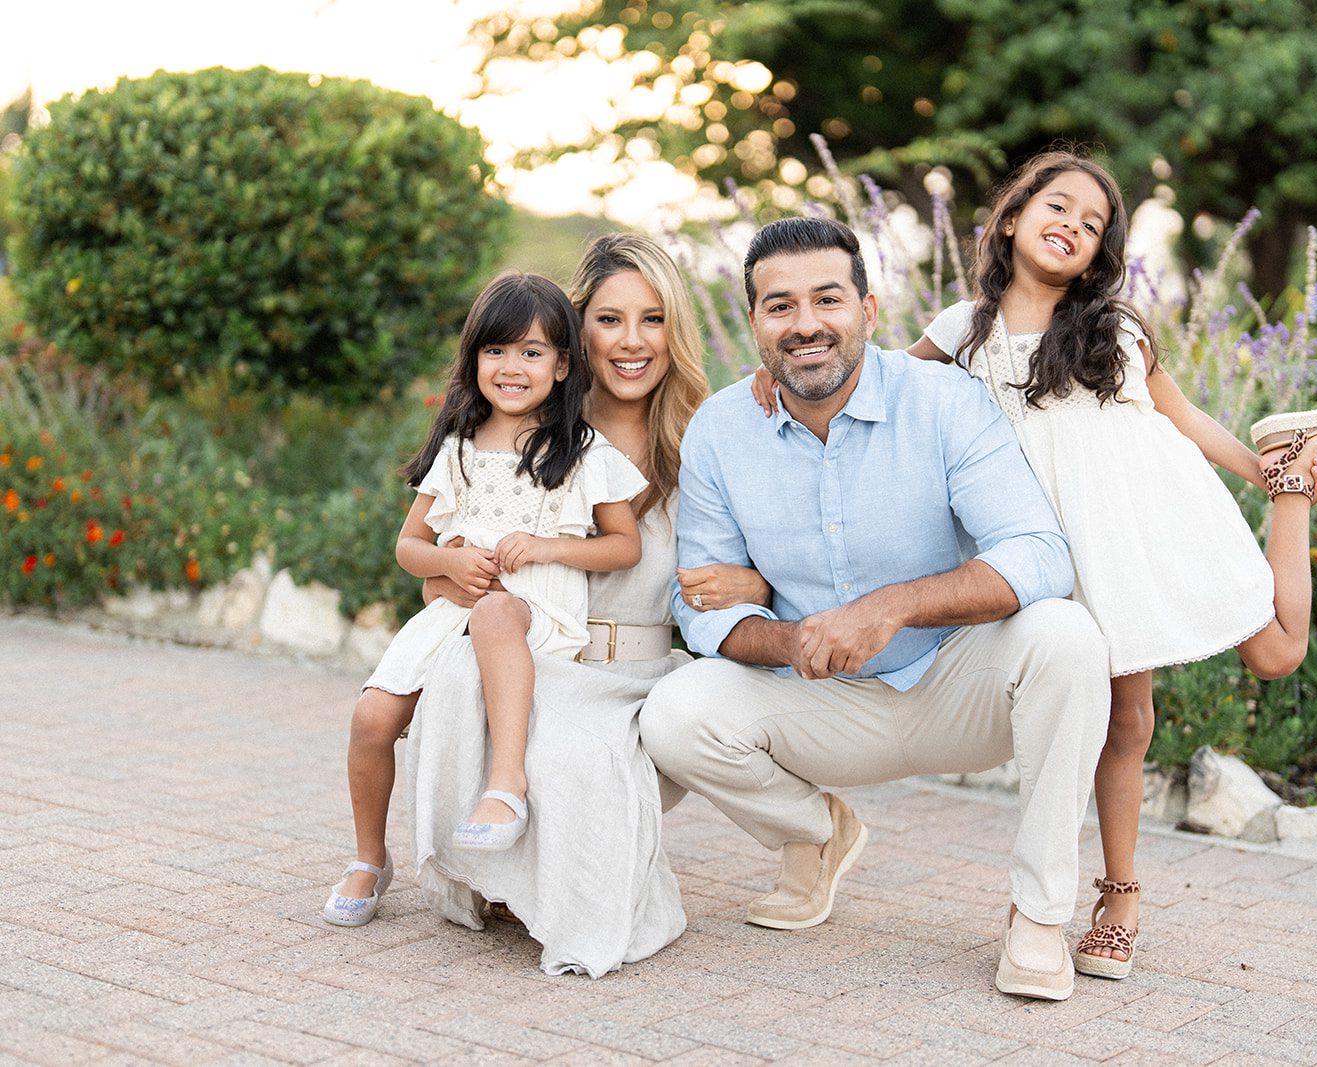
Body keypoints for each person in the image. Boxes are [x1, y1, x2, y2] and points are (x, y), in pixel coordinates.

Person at [754, 151, 1317, 981]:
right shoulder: (960, 330)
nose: (1073, 225)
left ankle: (1293, 480)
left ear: (1099, 252)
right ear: (1010, 217)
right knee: (1121, 720)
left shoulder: (1114, 329)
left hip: (1147, 524)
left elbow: (1182, 419)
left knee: (1277, 652)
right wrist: (780, 371)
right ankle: (1119, 895)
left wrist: (1263, 476)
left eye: (1092, 224)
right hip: (1046, 548)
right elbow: (871, 377)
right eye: (1059, 206)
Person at [642, 215, 1113, 1002]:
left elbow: (1038, 551)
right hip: (821, 700)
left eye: (827, 299)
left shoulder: (941, 400)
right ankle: (815, 832)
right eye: (780, 306)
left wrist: (892, 607)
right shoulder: (722, 429)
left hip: (958, 682)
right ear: (755, 322)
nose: (806, 325)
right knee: (675, 712)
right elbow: (701, 610)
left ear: (868, 309)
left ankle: (1037, 916)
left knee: (1065, 635)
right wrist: (797, 636)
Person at [405, 234, 771, 977]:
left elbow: (784, 566)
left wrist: (755, 587)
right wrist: (454, 576)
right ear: (576, 337)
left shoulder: (715, 434)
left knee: (572, 753)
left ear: (676, 331)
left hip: (640, 676)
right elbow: (438, 572)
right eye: (610, 319)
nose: (632, 341)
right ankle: (502, 864)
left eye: (653, 319)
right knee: (466, 684)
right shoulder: (532, 436)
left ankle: (560, 875)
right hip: (540, 659)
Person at [322, 270, 648, 927]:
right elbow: (409, 545)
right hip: (456, 607)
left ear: (561, 366)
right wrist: (450, 558)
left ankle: (507, 787)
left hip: (539, 608)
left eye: (532, 352)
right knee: (371, 718)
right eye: (496, 349)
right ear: (474, 359)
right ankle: (368, 856)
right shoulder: (458, 448)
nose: (511, 366)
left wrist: (547, 546)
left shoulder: (581, 452)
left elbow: (623, 546)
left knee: (500, 611)